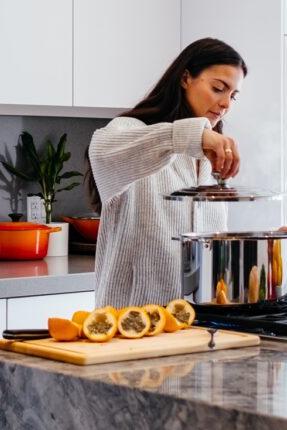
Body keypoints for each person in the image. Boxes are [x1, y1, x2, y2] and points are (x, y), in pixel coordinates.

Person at [85, 38, 247, 308]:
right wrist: (193, 135)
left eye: (233, 95)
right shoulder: (128, 130)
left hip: (198, 324)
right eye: (218, 88)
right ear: (185, 78)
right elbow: (101, 149)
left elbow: (209, 249)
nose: (226, 103)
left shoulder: (208, 160)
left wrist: (268, 245)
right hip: (133, 326)